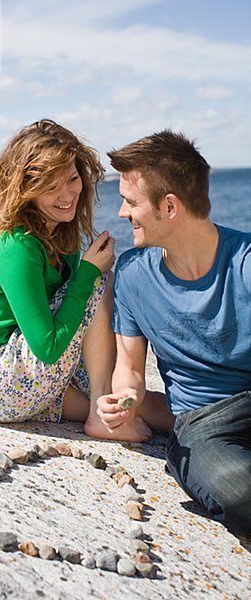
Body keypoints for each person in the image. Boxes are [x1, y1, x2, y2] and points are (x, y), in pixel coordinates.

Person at [96, 130, 251, 534]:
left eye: (130, 202)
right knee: (239, 492)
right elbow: (129, 366)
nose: (121, 213)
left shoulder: (246, 262)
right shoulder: (131, 275)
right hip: (204, 425)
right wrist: (126, 398)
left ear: (169, 207)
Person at [0, 119, 116, 431]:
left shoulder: (61, 234)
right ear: (26, 190)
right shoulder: (16, 245)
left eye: (73, 179)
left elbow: (64, 318)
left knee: (131, 407)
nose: (67, 194)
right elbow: (48, 346)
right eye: (50, 187)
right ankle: (99, 413)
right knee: (99, 282)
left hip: (15, 375)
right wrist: (89, 272)